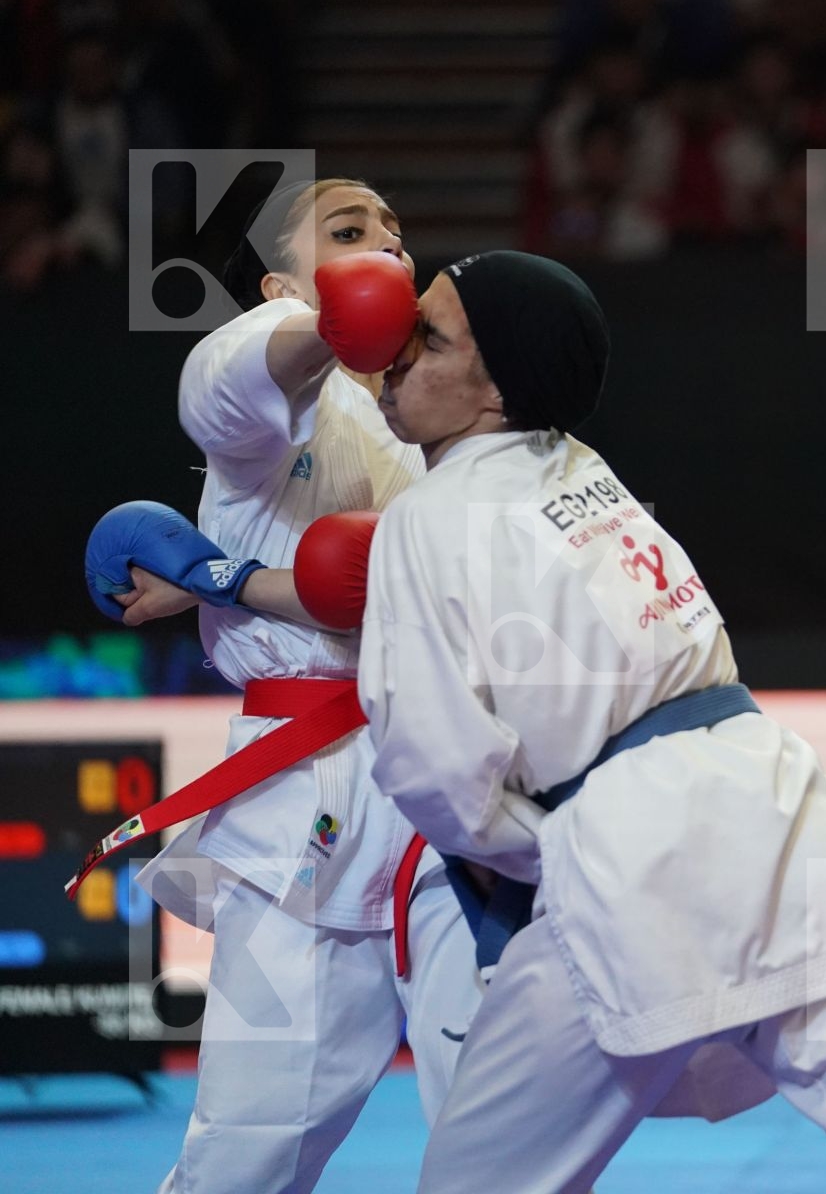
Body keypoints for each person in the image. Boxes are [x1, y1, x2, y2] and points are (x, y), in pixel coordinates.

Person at [308, 250, 826, 1192]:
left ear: (497, 389)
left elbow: (433, 768)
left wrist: (542, 849)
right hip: (776, 810)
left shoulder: (429, 518)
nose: (392, 353)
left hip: (630, 857)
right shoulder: (587, 475)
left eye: (428, 338)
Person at [88, 179, 483, 1193]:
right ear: (278, 284)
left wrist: (220, 574)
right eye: (348, 234)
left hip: (453, 788)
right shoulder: (266, 378)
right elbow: (218, 388)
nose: (385, 251)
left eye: (397, 235)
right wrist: (317, 328)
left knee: (503, 1123)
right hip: (303, 800)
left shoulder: (433, 398)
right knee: (248, 1154)